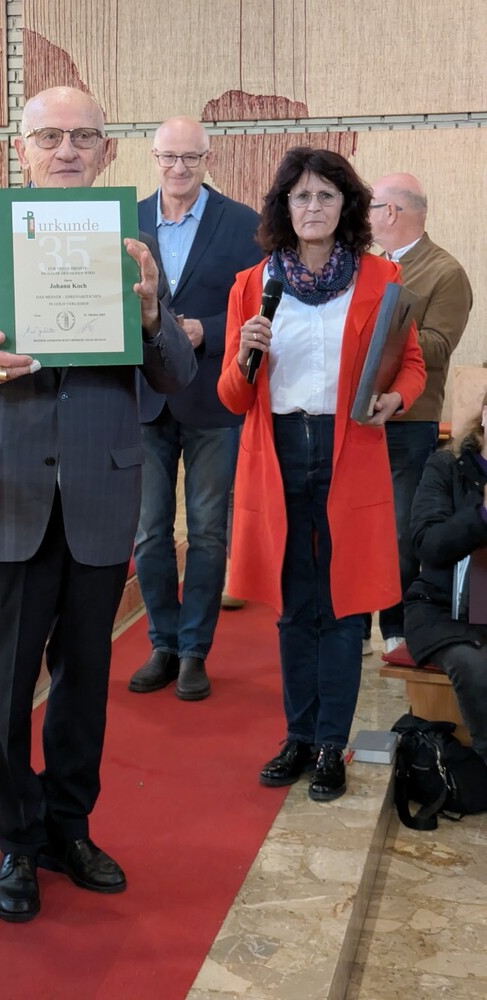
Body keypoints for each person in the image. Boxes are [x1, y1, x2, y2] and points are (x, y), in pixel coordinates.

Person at [0, 86, 196, 923]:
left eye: (83, 137)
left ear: (106, 151)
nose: (67, 150)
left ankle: (69, 827)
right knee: (5, 682)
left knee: (85, 678)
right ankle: (15, 842)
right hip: (5, 492)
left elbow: (176, 373)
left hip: (99, 490)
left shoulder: (133, 241)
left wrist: (150, 313)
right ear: (21, 148)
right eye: (51, 137)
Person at [217, 147, 425, 801]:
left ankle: (332, 744)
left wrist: (397, 399)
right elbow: (231, 397)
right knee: (292, 607)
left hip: (348, 455)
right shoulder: (252, 284)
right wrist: (244, 357)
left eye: (325, 196)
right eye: (301, 196)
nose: (312, 207)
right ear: (284, 206)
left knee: (341, 609)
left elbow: (412, 364)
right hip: (276, 455)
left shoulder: (380, 278)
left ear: (346, 206)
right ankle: (298, 737)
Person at [129, 116, 262, 701]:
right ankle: (162, 642)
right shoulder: (129, 221)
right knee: (149, 533)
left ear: (209, 159)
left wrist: (207, 329)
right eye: (169, 157)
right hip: (144, 399)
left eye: (191, 157)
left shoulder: (244, 224)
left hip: (213, 398)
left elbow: (263, 304)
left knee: (208, 532)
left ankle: (194, 651)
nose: (178, 168)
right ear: (154, 158)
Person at [367, 173, 472, 653]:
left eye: (371, 208)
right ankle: (354, 625)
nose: (366, 218)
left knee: (401, 531)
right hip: (359, 415)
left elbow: (438, 346)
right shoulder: (369, 266)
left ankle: (399, 629)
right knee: (356, 527)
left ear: (391, 212)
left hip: (409, 420)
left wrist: (381, 332)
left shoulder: (445, 272)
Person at [404, 392, 487, 764]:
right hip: (442, 610)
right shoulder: (447, 465)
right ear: (484, 415)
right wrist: (481, 515)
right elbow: (428, 546)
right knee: (475, 664)